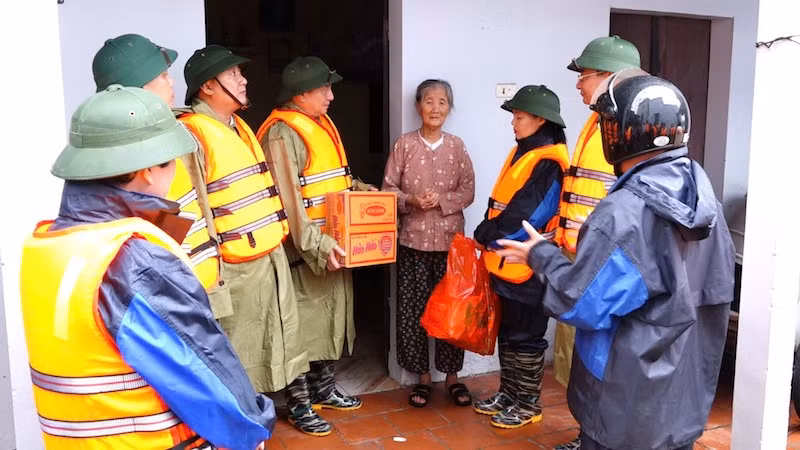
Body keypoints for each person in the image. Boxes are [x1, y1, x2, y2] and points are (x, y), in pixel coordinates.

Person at [19, 85, 274, 450]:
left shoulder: (51, 245)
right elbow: (207, 377)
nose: (175, 175)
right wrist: (254, 425)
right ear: (146, 170)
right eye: (171, 162)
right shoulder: (132, 260)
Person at [496, 75, 734, 449]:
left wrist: (539, 255)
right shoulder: (706, 205)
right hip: (681, 403)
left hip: (624, 404)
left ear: (622, 132)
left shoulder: (624, 214)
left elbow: (581, 302)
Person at [179, 45, 318, 435]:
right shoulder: (192, 134)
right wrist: (214, 280)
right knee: (240, 347)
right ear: (208, 86)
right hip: (233, 266)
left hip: (269, 253)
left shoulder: (238, 127)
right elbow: (198, 211)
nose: (243, 80)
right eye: (235, 74)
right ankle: (242, 423)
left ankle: (299, 404)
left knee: (287, 334)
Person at [256, 56, 374, 427]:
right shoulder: (281, 133)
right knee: (299, 327)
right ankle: (298, 402)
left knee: (325, 320)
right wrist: (318, 247)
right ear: (301, 93)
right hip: (302, 250)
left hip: (331, 242)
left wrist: (366, 195)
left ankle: (323, 388)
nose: (331, 96)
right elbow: (290, 203)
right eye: (324, 88)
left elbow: (334, 180)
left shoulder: (319, 125)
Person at [92, 34, 230, 316]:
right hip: (169, 306)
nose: (172, 83)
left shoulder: (175, 132)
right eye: (165, 75)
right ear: (141, 88)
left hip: (204, 288)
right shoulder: (117, 156)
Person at [552, 35, 641, 450]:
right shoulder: (599, 119)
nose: (577, 85)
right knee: (577, 353)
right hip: (581, 256)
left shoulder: (630, 126)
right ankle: (587, 432)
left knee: (597, 358)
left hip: (604, 262)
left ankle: (596, 435)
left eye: (584, 76)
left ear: (609, 77)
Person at [473, 85, 569, 428]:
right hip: (506, 263)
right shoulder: (524, 152)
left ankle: (527, 404)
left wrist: (489, 232)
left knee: (527, 336)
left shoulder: (549, 161)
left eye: (519, 116)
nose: (513, 123)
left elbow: (530, 213)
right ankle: (509, 394)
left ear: (540, 120)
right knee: (510, 332)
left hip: (530, 265)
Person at [381, 79, 475, 408]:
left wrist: (440, 201)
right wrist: (411, 200)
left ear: (449, 109)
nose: (435, 108)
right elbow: (387, 189)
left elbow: (468, 191)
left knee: (453, 311)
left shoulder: (457, 146)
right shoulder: (404, 145)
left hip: (450, 245)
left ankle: (452, 377)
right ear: (418, 106)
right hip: (412, 242)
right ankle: (422, 377)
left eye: (442, 102)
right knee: (413, 311)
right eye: (429, 102)